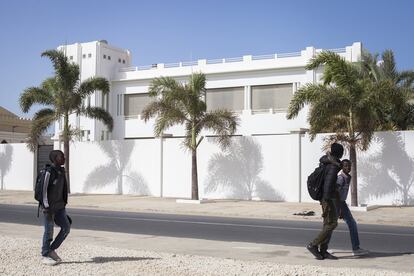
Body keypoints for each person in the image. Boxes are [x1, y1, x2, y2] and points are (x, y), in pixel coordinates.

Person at [306, 143, 343, 260]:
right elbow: (328, 185)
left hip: (326, 197)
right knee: (332, 223)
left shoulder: (328, 162)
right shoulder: (333, 166)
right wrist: (327, 202)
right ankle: (313, 245)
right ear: (339, 153)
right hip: (327, 198)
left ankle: (323, 251)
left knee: (327, 224)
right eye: (341, 152)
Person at [41, 150, 70, 265]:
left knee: (66, 228)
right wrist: (46, 206)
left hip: (60, 207)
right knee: (49, 231)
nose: (64, 158)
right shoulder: (48, 172)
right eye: (62, 156)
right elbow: (43, 190)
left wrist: (63, 203)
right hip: (49, 208)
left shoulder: (61, 171)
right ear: (55, 158)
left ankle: (50, 250)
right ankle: (45, 254)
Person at [336, 159, 369, 256]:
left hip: (342, 203)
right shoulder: (341, 178)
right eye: (345, 166)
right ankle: (322, 247)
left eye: (349, 166)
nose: (348, 168)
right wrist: (340, 209)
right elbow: (336, 193)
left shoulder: (348, 177)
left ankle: (356, 248)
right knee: (330, 225)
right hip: (337, 204)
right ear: (342, 167)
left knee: (351, 224)